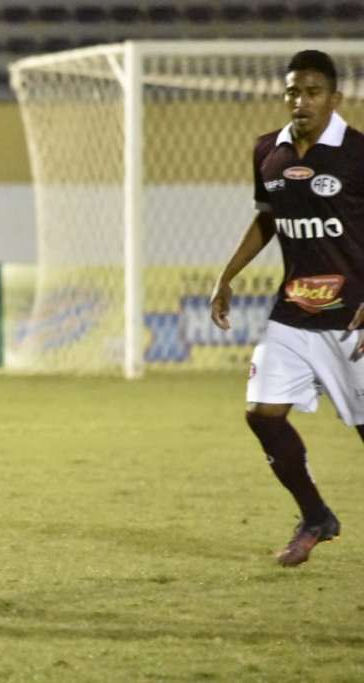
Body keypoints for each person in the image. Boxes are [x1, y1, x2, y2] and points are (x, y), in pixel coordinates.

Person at [210, 50, 364, 567]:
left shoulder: (358, 153)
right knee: (262, 413)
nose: (301, 101)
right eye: (292, 91)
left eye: (313, 92)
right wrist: (226, 275)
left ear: (335, 98)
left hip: (352, 318)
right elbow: (268, 220)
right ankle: (316, 516)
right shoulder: (267, 153)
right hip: (293, 312)